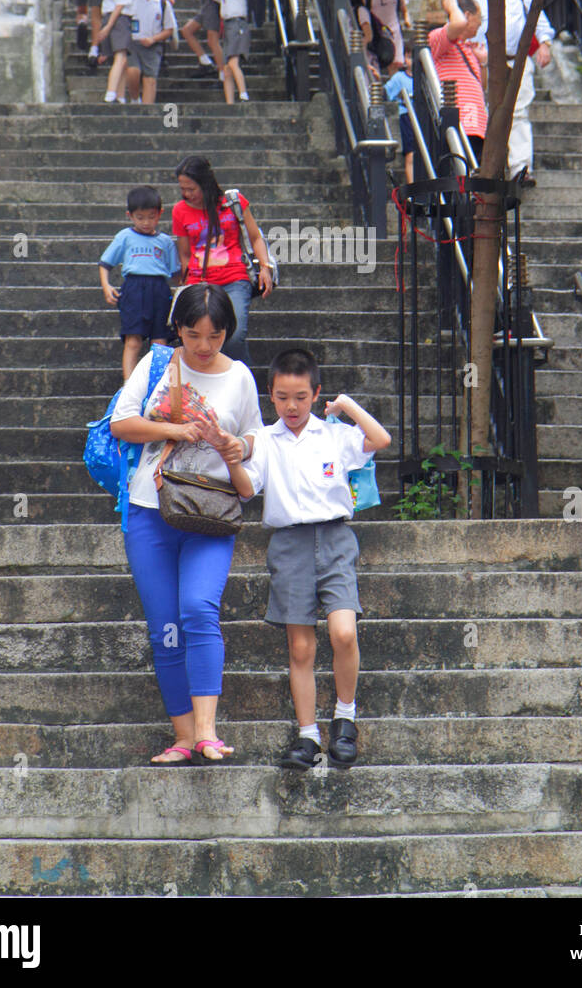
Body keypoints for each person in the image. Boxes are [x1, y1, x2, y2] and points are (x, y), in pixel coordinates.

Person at [216, 346, 391, 771]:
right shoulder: (267, 442)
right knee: (299, 646)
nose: (290, 406)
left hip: (334, 538)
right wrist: (231, 457)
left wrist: (346, 405)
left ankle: (345, 718)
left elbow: (380, 439)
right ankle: (308, 734)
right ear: (270, 397)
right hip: (288, 544)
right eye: (281, 397)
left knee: (344, 632)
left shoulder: (334, 434)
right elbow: (245, 489)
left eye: (299, 396)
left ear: (315, 394)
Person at [110, 283, 263, 764]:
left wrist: (241, 447)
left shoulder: (239, 377)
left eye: (215, 335)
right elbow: (121, 422)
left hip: (209, 513)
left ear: (226, 333)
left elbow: (257, 432)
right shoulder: (157, 364)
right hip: (149, 509)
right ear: (178, 328)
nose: (203, 345)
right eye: (194, 334)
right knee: (166, 627)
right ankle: (181, 737)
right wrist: (175, 429)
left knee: (198, 609)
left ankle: (206, 731)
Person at [459, 0, 554, 184]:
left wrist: (545, 43)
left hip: (515, 60)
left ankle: (520, 169)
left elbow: (537, 18)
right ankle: (486, 165)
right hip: (480, 63)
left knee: (519, 113)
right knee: (482, 112)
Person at [172, 156, 273, 366]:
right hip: (199, 283)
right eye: (183, 189)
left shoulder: (232, 203)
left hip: (234, 278)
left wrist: (265, 267)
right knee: (198, 336)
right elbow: (184, 253)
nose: (186, 194)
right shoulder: (179, 211)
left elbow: (255, 237)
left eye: (191, 188)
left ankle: (241, 381)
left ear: (206, 183)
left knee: (233, 335)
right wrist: (186, 285)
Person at [99, 185, 180, 381]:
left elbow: (176, 273)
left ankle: (156, 384)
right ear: (130, 215)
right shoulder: (125, 237)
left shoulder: (165, 242)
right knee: (133, 340)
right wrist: (106, 286)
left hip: (160, 290)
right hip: (134, 289)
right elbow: (105, 263)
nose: (146, 222)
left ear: (160, 214)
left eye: (151, 217)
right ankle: (129, 384)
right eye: (140, 217)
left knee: (160, 341)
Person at [177, 0, 251, 103]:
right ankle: (230, 102)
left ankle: (244, 95)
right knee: (227, 68)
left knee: (232, 63)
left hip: (236, 25)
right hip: (230, 26)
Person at [428, 0, 488, 165]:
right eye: (479, 18)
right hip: (460, 125)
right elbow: (458, 24)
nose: (481, 23)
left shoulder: (469, 48)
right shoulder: (439, 38)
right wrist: (451, 3)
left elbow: (481, 87)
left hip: (477, 126)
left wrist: (482, 62)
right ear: (467, 15)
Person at [125, 0, 177, 106]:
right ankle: (135, 100)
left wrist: (153, 39)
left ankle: (147, 111)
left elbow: (169, 29)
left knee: (150, 79)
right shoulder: (132, 1)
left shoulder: (162, 3)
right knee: (133, 72)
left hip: (153, 46)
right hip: (133, 44)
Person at [99, 0, 140, 103]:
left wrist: (107, 24)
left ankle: (120, 96)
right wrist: (109, 26)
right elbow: (120, 5)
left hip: (109, 15)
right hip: (120, 18)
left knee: (123, 61)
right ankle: (110, 94)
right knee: (121, 57)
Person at [369, 52, 414, 184]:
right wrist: (377, 80)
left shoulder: (426, 76)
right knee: (411, 154)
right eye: (410, 57)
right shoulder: (399, 77)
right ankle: (413, 189)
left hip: (422, 116)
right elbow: (385, 93)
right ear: (405, 57)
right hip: (407, 115)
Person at [357, 0, 411, 68]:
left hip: (394, 30)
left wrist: (407, 19)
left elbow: (404, 9)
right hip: (378, 33)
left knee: (395, 62)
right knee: (377, 60)